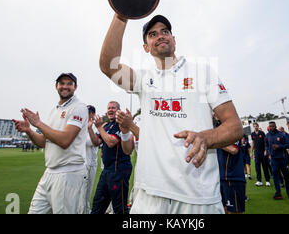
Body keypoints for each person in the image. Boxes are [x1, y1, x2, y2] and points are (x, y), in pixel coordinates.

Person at [99, 13, 243, 214]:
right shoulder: (142, 78)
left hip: (198, 196)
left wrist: (206, 137)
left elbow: (235, 127)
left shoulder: (202, 72)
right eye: (152, 34)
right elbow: (108, 66)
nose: (160, 36)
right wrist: (121, 14)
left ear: (174, 39)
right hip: (150, 194)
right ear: (146, 48)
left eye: (165, 31)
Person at [12, 72, 89, 214]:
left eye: (69, 84)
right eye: (62, 83)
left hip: (68, 173)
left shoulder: (79, 107)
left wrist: (38, 123)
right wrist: (29, 130)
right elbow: (44, 141)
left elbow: (65, 140)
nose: (65, 86)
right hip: (49, 172)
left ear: (75, 87)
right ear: (56, 86)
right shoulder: (55, 109)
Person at [89, 101, 132, 214]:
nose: (110, 110)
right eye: (109, 108)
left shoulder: (121, 125)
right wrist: (90, 128)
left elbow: (111, 142)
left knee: (119, 208)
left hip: (119, 170)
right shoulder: (107, 125)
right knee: (97, 204)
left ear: (118, 111)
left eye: (113, 108)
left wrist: (99, 127)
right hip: (107, 171)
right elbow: (96, 142)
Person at [214, 113, 246, 214]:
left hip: (233, 177)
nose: (215, 114)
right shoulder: (215, 129)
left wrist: (212, 140)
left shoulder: (233, 128)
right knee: (224, 210)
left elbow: (233, 149)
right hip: (220, 178)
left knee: (234, 211)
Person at [266, 122, 289, 200]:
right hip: (274, 160)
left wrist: (279, 146)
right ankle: (278, 193)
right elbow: (266, 145)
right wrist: (268, 153)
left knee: (286, 177)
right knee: (275, 177)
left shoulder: (281, 134)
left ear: (275, 126)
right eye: (270, 126)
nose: (271, 127)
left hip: (283, 159)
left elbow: (288, 144)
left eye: (273, 126)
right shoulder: (267, 135)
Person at [85, 105, 99, 213]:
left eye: (88, 112)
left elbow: (91, 142)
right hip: (80, 164)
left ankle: (86, 210)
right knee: (79, 192)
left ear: (93, 114)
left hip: (91, 164)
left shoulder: (96, 127)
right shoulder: (81, 124)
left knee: (87, 193)